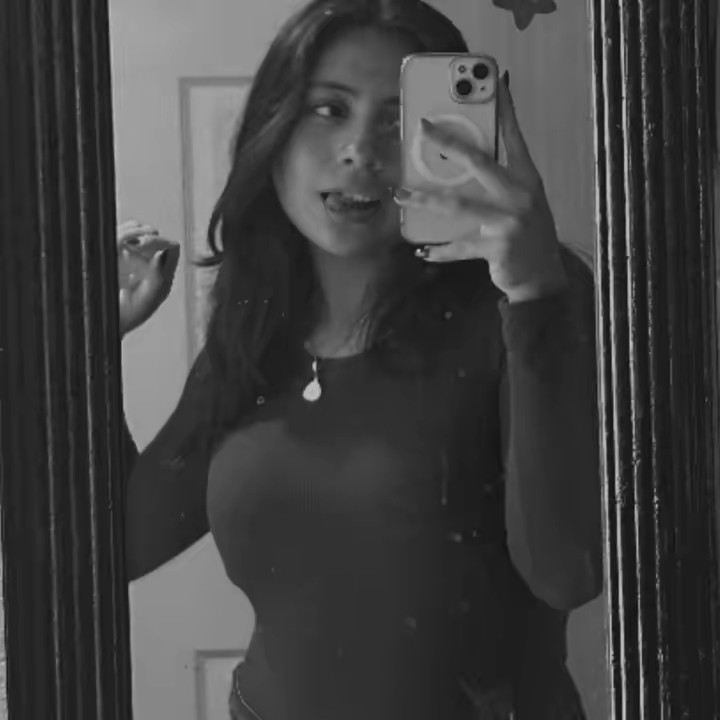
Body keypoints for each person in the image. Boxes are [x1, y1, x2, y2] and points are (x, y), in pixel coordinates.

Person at [118, 0, 603, 718]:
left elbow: (566, 573)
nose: (360, 152)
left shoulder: (520, 302)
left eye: (398, 119)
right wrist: (85, 352)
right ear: (273, 128)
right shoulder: (259, 327)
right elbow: (122, 545)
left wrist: (533, 295)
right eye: (329, 109)